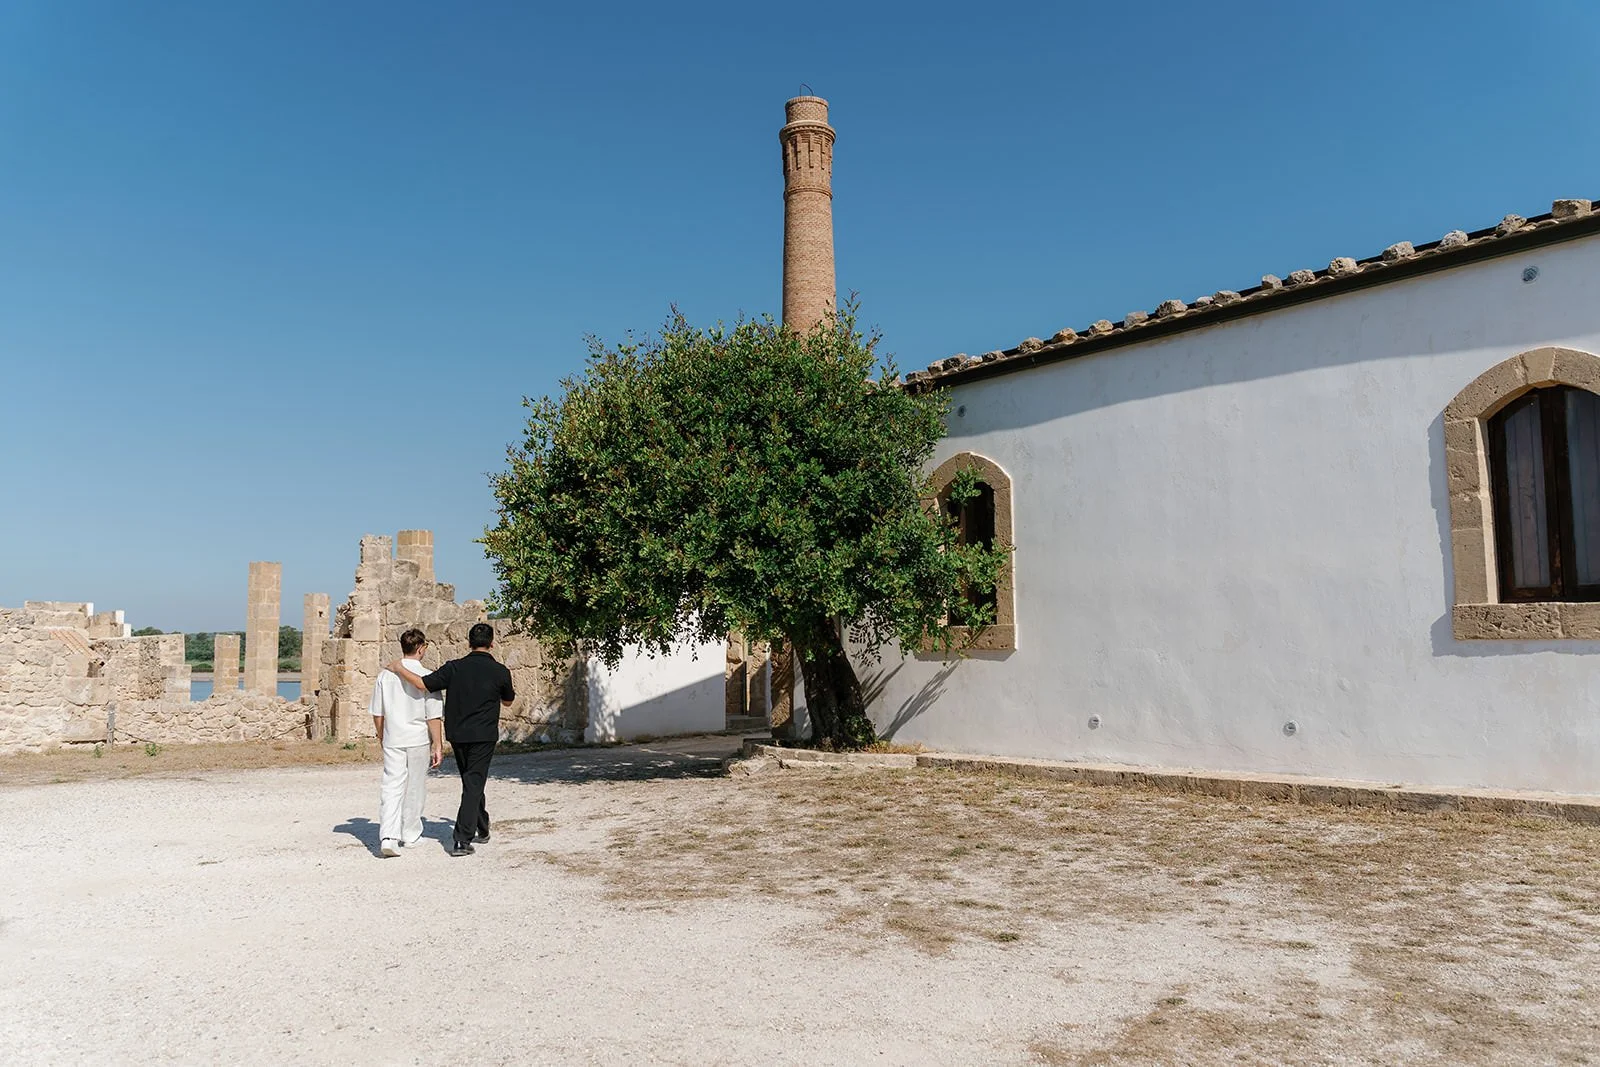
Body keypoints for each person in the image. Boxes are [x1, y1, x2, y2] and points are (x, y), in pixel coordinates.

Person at [387, 622, 514, 857]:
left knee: (471, 781)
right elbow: (508, 702)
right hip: (483, 735)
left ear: (468, 643)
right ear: (492, 644)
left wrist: (399, 668)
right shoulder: (501, 671)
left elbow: (423, 684)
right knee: (474, 782)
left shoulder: (454, 668)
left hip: (458, 734)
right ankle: (461, 840)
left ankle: (482, 827)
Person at [369, 628, 444, 858]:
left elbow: (378, 713)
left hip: (393, 737)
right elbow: (433, 715)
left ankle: (389, 835)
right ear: (421, 648)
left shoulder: (385, 675)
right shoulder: (427, 675)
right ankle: (410, 834)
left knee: (391, 786)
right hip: (418, 738)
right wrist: (437, 744)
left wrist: (382, 735)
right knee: (415, 785)